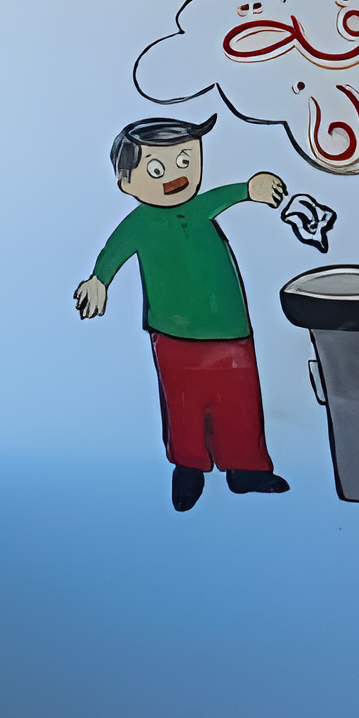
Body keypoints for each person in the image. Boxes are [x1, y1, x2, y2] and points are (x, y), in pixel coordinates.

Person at [75, 115, 293, 512]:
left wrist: (250, 189)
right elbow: (114, 250)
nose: (176, 175)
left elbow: (224, 196)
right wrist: (98, 280)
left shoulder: (199, 207)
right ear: (126, 182)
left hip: (230, 329)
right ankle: (189, 468)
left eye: (186, 160)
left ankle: (246, 469)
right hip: (173, 334)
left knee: (240, 403)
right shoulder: (140, 223)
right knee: (184, 406)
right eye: (157, 169)